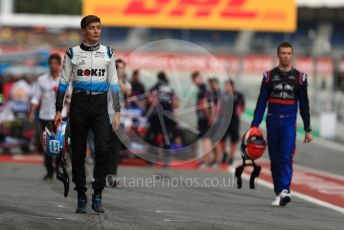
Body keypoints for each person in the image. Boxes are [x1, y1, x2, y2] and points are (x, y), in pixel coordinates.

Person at [54, 15, 121, 214]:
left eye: (98, 27)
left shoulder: (108, 53)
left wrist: (117, 112)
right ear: (83, 30)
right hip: (79, 104)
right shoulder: (71, 53)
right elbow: (63, 83)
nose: (96, 31)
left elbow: (114, 83)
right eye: (92, 28)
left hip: (100, 105)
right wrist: (58, 110)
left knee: (102, 149)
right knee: (78, 153)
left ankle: (98, 194)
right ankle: (82, 195)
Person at [251, 42, 312, 207]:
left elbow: (304, 105)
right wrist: (254, 125)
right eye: (283, 53)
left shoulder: (300, 78)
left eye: (288, 53)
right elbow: (261, 102)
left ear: (292, 55)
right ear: (278, 55)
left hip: (288, 124)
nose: (285, 56)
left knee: (286, 157)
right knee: (275, 161)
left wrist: (308, 128)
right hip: (272, 122)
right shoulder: (268, 77)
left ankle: (285, 189)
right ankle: (280, 192)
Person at [28, 53, 70, 180]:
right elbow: (36, 97)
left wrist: (63, 94)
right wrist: (31, 112)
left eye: (55, 63)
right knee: (46, 144)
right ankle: (49, 170)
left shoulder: (65, 80)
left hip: (61, 116)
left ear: (59, 65)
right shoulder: (42, 80)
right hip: (45, 115)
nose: (53, 66)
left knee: (59, 144)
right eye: (51, 63)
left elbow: (71, 97)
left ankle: (59, 167)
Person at [146, 71, 178, 166]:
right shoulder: (171, 89)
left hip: (156, 116)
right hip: (168, 116)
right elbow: (176, 104)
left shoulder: (155, 87)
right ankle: (166, 161)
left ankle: (152, 160)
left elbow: (150, 100)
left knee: (153, 137)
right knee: (167, 138)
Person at [190, 71, 213, 168]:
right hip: (202, 116)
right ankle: (205, 159)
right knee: (203, 138)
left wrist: (209, 117)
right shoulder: (201, 88)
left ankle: (207, 160)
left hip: (204, 117)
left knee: (205, 138)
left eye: (194, 79)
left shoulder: (203, 88)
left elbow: (205, 104)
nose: (193, 82)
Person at [221, 79, 245, 165]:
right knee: (222, 139)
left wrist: (239, 112)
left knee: (233, 139)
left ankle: (231, 156)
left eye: (228, 85)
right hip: (224, 120)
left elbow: (242, 106)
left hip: (234, 120)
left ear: (232, 86)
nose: (227, 87)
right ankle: (224, 154)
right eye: (226, 86)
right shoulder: (223, 95)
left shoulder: (239, 95)